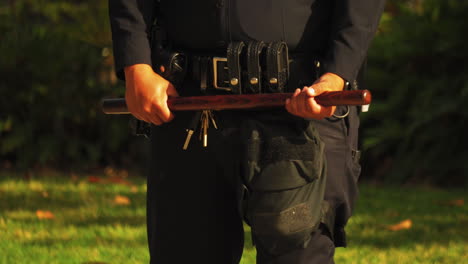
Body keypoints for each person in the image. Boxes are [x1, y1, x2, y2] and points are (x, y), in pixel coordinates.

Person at [108, 0, 386, 263]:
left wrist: (337, 73)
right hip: (187, 100)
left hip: (301, 103)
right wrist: (136, 65)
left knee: (299, 253)